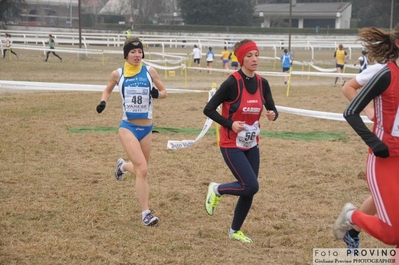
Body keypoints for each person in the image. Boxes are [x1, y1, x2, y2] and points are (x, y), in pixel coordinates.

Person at [203, 39, 279, 243]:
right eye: (249, 55)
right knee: (251, 185)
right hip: (231, 144)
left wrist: (272, 114)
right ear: (241, 59)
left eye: (256, 54)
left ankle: (234, 231)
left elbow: (272, 108)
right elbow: (208, 109)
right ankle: (216, 189)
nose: (255, 59)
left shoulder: (263, 83)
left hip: (252, 144)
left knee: (249, 189)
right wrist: (230, 124)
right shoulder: (231, 82)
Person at [334, 25, 399, 249]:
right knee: (393, 235)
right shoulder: (385, 73)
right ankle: (352, 217)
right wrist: (374, 140)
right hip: (385, 158)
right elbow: (350, 105)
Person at [96, 37, 167, 226]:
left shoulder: (150, 71)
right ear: (126, 54)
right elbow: (107, 90)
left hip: (147, 128)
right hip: (127, 127)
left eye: (140, 52)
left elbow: (164, 91)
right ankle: (146, 213)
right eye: (133, 52)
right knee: (142, 170)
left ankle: (121, 166)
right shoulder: (117, 74)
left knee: (140, 170)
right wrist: (103, 102)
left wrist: (157, 94)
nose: (137, 55)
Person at [339, 63, 385, 250]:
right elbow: (348, 87)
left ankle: (353, 229)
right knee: (384, 193)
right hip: (387, 144)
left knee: (382, 195)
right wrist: (368, 110)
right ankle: (353, 223)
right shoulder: (383, 69)